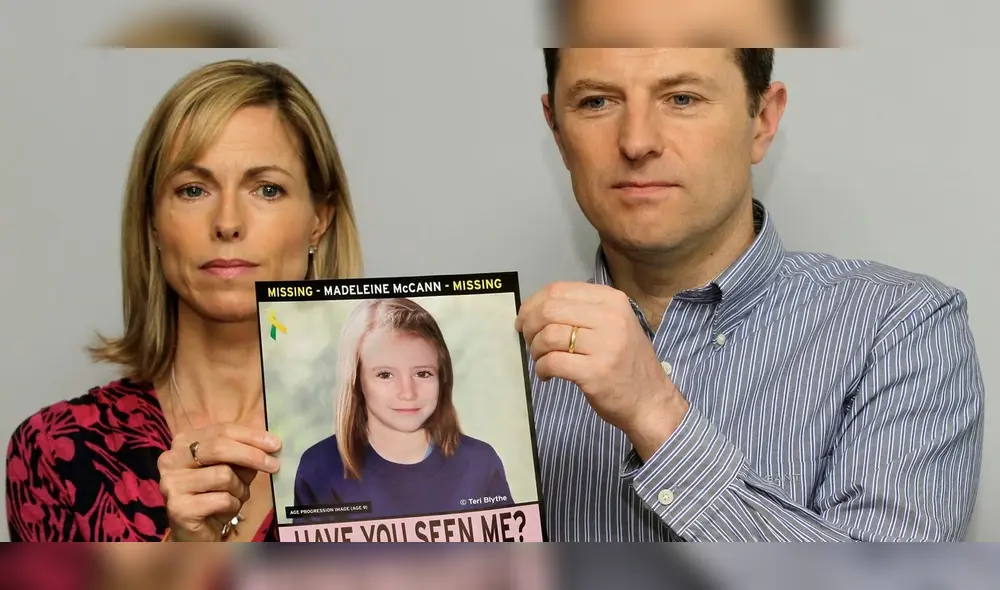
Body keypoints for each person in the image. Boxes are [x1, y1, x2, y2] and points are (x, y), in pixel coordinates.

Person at [516, 48, 985, 541]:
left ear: (762, 119)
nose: (636, 142)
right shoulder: (485, 362)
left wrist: (656, 416)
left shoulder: (902, 329)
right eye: (596, 102)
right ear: (557, 132)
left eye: (681, 98)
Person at [5, 58, 363, 542]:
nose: (228, 222)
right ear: (153, 221)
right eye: (194, 189)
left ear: (319, 220)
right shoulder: (59, 453)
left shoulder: (398, 423)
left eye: (267, 189)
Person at [293, 298, 514, 522]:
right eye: (385, 375)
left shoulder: (480, 462)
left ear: (442, 376)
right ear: (356, 381)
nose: (407, 393)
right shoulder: (319, 468)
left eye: (422, 373)